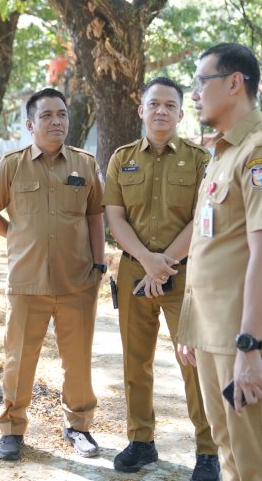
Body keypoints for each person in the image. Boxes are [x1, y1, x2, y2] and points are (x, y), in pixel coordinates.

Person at [176, 43, 262, 480]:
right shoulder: (224, 152)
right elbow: (210, 246)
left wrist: (249, 346)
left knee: (257, 457)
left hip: (241, 340)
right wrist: (191, 327)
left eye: (200, 83)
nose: (193, 94)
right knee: (228, 448)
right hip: (212, 334)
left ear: (234, 83)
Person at [0, 87, 106, 461]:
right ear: (31, 124)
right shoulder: (11, 165)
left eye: (62, 114)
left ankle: (79, 427)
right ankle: (13, 428)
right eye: (47, 115)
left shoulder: (84, 164)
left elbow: (95, 216)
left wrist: (98, 264)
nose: (56, 121)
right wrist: (16, 237)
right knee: (19, 357)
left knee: (78, 360)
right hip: (27, 282)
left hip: (77, 280)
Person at [103, 77, 219, 479]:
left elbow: (204, 218)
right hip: (135, 273)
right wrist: (145, 260)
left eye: (170, 105)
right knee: (136, 362)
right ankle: (141, 441)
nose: (162, 111)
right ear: (142, 110)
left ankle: (208, 450)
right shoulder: (121, 159)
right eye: (154, 104)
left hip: (183, 275)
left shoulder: (200, 159)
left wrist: (163, 262)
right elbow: (115, 217)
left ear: (181, 113)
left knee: (195, 362)